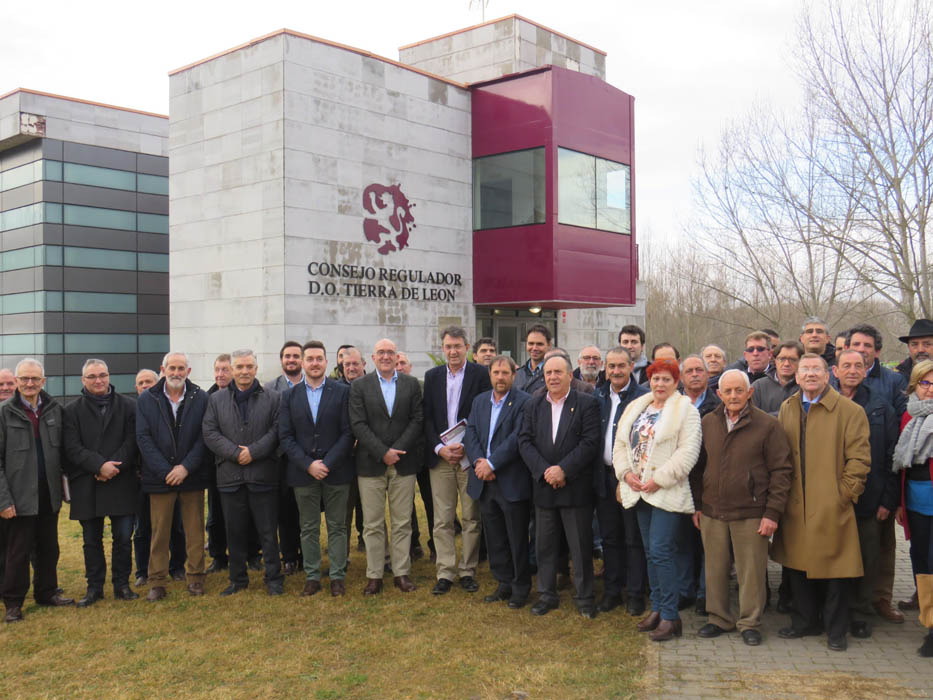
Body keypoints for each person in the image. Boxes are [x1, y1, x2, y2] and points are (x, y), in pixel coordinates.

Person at [772, 353, 870, 651]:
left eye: (817, 369)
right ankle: (804, 623)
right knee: (798, 567)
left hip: (832, 504)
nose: (810, 374)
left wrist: (844, 494)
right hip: (795, 504)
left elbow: (860, 459)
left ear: (829, 375)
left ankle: (835, 630)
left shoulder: (850, 411)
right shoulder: (787, 407)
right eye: (805, 370)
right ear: (797, 377)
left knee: (835, 571)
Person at [691, 369, 792, 646]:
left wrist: (772, 513)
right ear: (719, 394)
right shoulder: (707, 422)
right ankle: (719, 619)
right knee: (715, 568)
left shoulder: (767, 425)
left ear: (750, 393)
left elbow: (781, 471)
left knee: (751, 572)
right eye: (728, 391)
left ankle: (749, 622)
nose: (733, 396)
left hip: (752, 512)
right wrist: (698, 504)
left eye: (739, 391)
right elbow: (697, 468)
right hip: (712, 511)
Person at [613, 358, 702, 641]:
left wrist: (659, 479)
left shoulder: (685, 410)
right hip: (638, 489)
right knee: (650, 552)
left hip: (665, 491)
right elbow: (620, 444)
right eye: (655, 378)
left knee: (662, 550)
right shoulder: (638, 407)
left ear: (676, 382)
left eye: (666, 379)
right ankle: (659, 607)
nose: (660, 384)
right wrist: (625, 474)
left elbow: (688, 452)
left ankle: (671, 616)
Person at [519, 355, 601, 618]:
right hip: (544, 486)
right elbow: (524, 441)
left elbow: (590, 442)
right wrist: (545, 471)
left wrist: (564, 470)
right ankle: (546, 594)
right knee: (544, 546)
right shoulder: (533, 405)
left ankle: (585, 596)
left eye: (558, 372)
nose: (552, 377)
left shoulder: (587, 404)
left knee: (580, 546)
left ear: (570, 375)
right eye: (548, 373)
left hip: (574, 486)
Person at [203, 349, 284, 596]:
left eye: (249, 366)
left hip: (263, 475)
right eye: (239, 367)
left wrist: (254, 451)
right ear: (232, 370)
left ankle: (274, 580)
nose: (244, 371)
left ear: (256, 369)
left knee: (268, 532)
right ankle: (237, 580)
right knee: (234, 531)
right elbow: (210, 433)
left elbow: (277, 430)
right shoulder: (215, 400)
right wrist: (235, 453)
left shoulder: (274, 398)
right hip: (230, 476)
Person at [0, 359, 74, 623]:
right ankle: (13, 602)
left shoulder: (54, 410)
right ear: (17, 382)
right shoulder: (4, 413)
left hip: (48, 494)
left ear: (43, 381)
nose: (29, 384)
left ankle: (47, 592)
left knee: (48, 548)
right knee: (17, 553)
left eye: (34, 379)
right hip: (18, 498)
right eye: (24, 379)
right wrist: (4, 501)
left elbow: (64, 452)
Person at [832, 349, 899, 637]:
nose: (851, 370)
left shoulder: (880, 406)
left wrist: (888, 499)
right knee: (833, 557)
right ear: (835, 371)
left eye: (857, 366)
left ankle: (859, 613)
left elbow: (892, 456)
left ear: (866, 369)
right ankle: (832, 612)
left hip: (869, 498)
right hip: (831, 498)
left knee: (866, 559)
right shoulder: (824, 401)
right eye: (845, 365)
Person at [279, 341, 354, 597]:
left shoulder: (342, 391)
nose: (314, 363)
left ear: (326, 362)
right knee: (308, 527)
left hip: (337, 470)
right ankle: (311, 576)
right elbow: (286, 437)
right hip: (303, 472)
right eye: (309, 358)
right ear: (302, 362)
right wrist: (309, 464)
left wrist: (328, 463)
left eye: (319, 358)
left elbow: (348, 433)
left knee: (337, 526)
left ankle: (337, 576)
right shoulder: (288, 396)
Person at [349, 338, 423, 595]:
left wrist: (396, 451)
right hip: (370, 464)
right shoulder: (360, 386)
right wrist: (382, 452)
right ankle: (375, 574)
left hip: (404, 462)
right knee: (372, 523)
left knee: (403, 522)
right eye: (381, 352)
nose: (386, 356)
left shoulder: (411, 385)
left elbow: (417, 419)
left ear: (396, 356)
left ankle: (401, 573)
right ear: (372, 356)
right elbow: (357, 423)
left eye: (390, 352)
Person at [64, 359, 140, 607]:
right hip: (88, 483)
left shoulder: (129, 406)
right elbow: (72, 448)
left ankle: (122, 585)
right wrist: (98, 466)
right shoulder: (71, 411)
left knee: (122, 538)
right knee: (91, 540)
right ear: (83, 380)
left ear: (109, 376)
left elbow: (133, 442)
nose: (98, 380)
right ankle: (94, 587)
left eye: (103, 375)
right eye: (92, 376)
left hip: (122, 480)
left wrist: (112, 467)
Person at [136, 351, 210, 601]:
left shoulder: (201, 397)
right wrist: (166, 471)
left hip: (192, 475)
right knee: (160, 532)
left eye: (181, 368)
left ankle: (196, 577)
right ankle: (157, 581)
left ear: (188, 372)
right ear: (163, 369)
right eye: (172, 368)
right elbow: (143, 438)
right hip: (160, 478)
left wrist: (185, 467)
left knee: (194, 530)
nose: (176, 373)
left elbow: (204, 437)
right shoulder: (147, 398)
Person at [424, 326, 491, 594]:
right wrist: (440, 448)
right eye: (449, 346)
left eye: (458, 346)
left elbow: (484, 414)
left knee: (471, 516)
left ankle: (467, 570)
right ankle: (446, 571)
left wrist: (466, 446)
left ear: (467, 348)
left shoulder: (480, 375)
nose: (453, 351)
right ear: (443, 348)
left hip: (469, 456)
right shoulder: (432, 377)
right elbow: (426, 417)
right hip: (441, 458)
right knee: (442, 518)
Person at [464, 355, 532, 607]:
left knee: (516, 537)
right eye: (496, 373)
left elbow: (518, 438)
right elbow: (470, 433)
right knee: (494, 537)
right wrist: (480, 462)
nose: (500, 377)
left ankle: (521, 587)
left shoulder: (524, 402)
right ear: (490, 375)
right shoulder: (480, 401)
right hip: (484, 480)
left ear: (514, 375)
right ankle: (503, 583)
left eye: (505, 373)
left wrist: (492, 464)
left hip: (510, 480)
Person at [593, 347, 649, 615]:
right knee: (610, 538)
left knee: (633, 538)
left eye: (621, 366)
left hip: (630, 478)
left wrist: (626, 476)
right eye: (611, 366)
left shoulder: (643, 398)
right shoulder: (598, 395)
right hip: (603, 477)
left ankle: (636, 594)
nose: (616, 371)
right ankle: (612, 592)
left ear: (631, 366)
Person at [131, 369, 186, 587]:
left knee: (176, 525)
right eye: (141, 383)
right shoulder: (133, 409)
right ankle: (143, 570)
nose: (145, 385)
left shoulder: (167, 408)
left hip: (171, 476)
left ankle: (178, 566)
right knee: (143, 527)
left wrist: (168, 470)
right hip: (142, 478)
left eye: (149, 382)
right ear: (136, 387)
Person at [893, 359, 933, 657]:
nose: (930, 390)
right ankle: (928, 619)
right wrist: (898, 502)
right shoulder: (908, 416)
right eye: (925, 383)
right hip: (916, 501)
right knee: (920, 558)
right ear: (915, 385)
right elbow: (901, 463)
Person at [264, 341, 305, 576]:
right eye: (287, 356)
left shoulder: (312, 384)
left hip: (308, 458)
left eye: (295, 356)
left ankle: (308, 554)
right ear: (281, 360)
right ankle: (289, 556)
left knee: (307, 512)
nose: (291, 360)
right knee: (286, 511)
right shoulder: (270, 389)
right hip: (281, 460)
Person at [205, 354, 233, 574]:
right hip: (215, 466)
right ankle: (218, 556)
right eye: (217, 369)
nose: (220, 374)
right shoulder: (207, 398)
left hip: (243, 462)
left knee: (244, 513)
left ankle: (250, 553)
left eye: (225, 369)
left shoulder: (244, 394)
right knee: (215, 515)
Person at [338, 345, 367, 553]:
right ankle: (342, 556)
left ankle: (378, 555)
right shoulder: (336, 389)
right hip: (344, 460)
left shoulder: (373, 386)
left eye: (355, 363)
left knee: (371, 511)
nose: (351, 368)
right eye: (347, 364)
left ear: (364, 364)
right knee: (343, 512)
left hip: (369, 457)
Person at [846, 324, 907, 417]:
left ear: (877, 352)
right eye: (856, 344)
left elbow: (901, 419)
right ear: (846, 349)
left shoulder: (895, 381)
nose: (861, 349)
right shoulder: (830, 377)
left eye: (867, 345)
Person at [752, 341, 803, 416]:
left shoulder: (805, 387)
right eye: (782, 359)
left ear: (800, 361)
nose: (786, 364)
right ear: (775, 360)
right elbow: (751, 416)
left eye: (792, 359)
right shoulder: (758, 387)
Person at [514, 324, 552, 395]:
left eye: (539, 344)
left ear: (549, 345)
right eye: (531, 343)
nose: (534, 348)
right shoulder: (517, 374)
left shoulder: (554, 374)